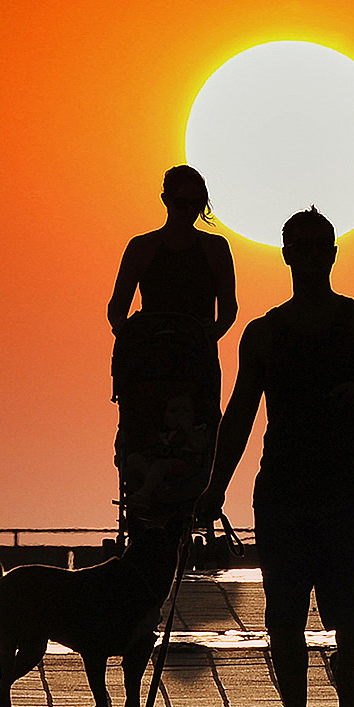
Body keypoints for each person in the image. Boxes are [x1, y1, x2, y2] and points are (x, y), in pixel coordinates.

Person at [201, 208, 354, 707]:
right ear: (288, 255)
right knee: (285, 619)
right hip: (281, 495)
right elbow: (239, 414)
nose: (315, 254)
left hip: (344, 496)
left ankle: (346, 666)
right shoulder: (264, 334)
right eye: (304, 246)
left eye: (323, 245)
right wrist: (214, 487)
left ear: (334, 254)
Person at [108, 166, 237, 512]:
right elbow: (116, 310)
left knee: (202, 432)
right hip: (149, 367)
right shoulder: (142, 248)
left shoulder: (215, 249)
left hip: (196, 365)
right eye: (182, 203)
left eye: (197, 204)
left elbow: (228, 311)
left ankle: (198, 497)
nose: (189, 211)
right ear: (166, 200)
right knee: (141, 430)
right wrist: (133, 342)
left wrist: (207, 338)